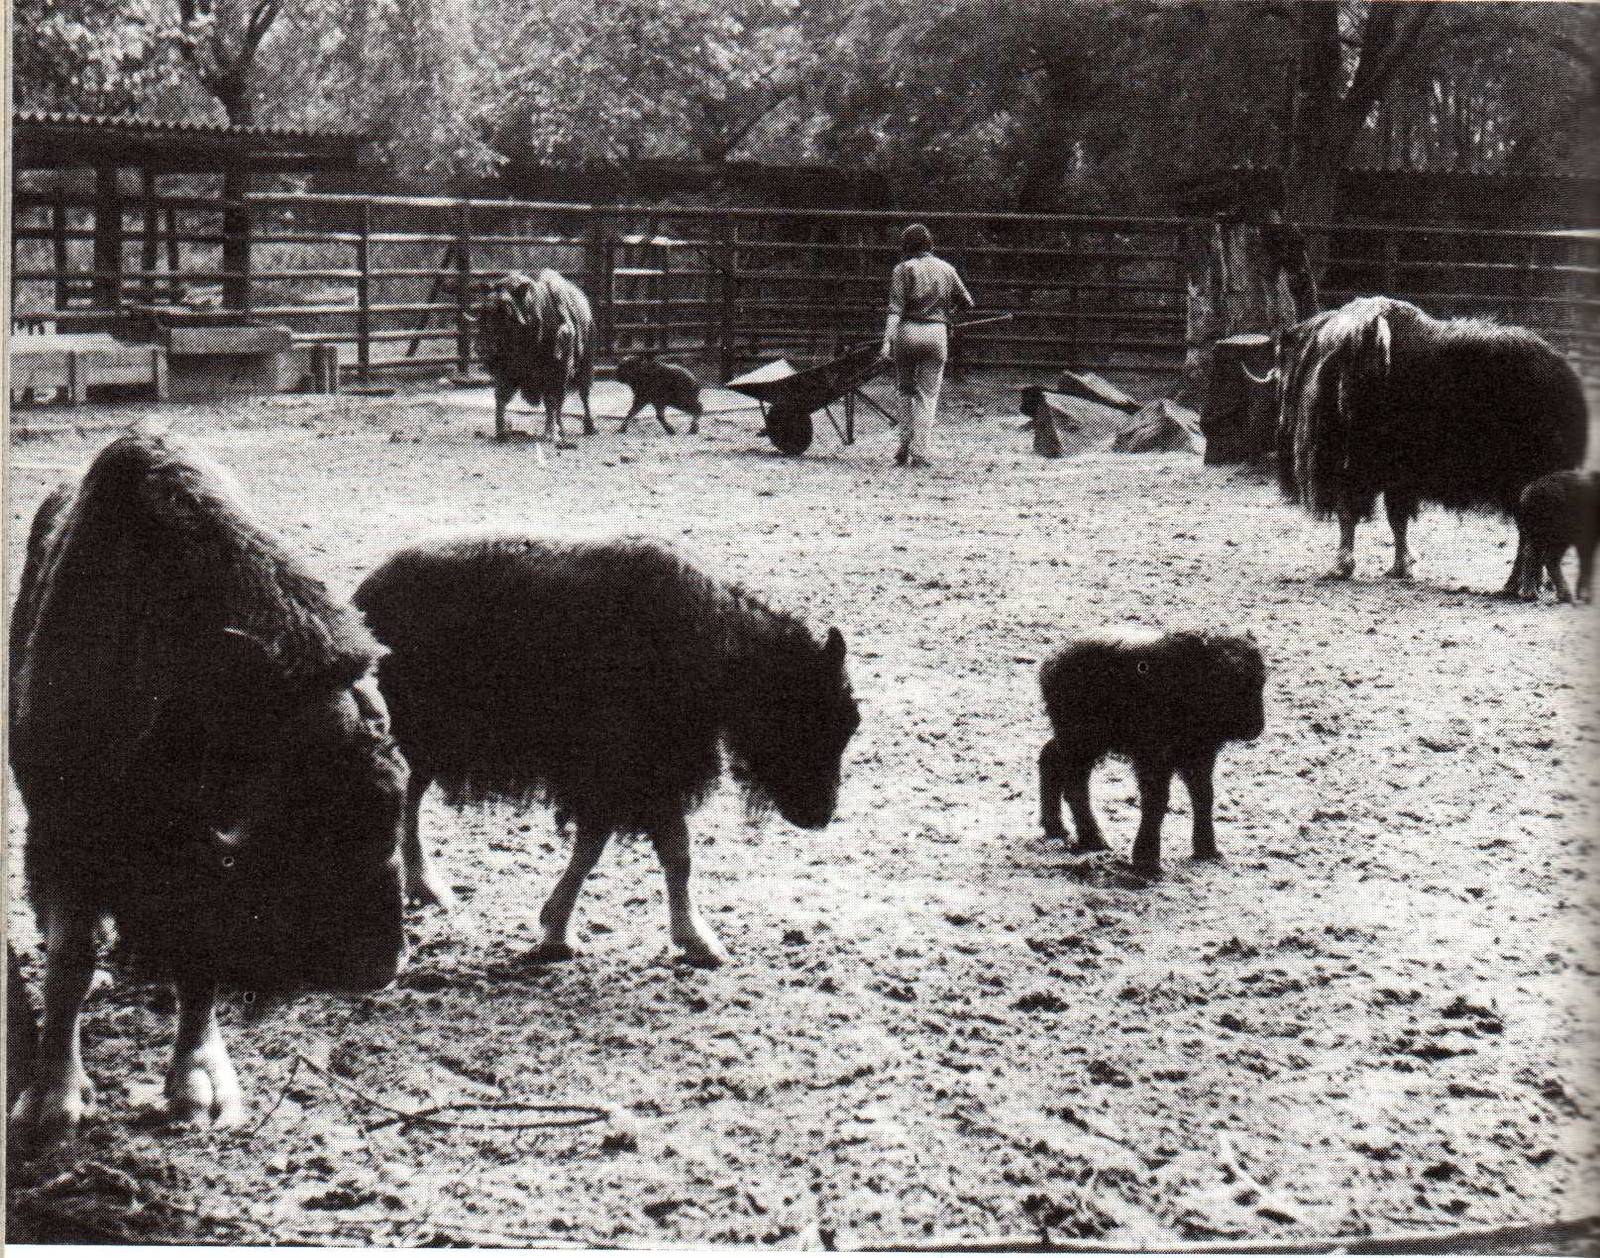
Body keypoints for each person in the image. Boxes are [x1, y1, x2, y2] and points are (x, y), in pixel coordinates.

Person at [880, 223, 975, 467]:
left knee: (905, 390)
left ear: (906, 246)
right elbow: (967, 302)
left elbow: (895, 310)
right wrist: (947, 315)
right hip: (936, 334)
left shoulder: (902, 269)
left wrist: (886, 342)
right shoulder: (947, 268)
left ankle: (903, 446)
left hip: (907, 334)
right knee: (927, 396)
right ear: (930, 244)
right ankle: (920, 452)